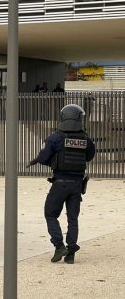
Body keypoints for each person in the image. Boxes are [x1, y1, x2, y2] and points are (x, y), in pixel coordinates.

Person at [27, 104, 95, 264]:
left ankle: (59, 245)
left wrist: (53, 160)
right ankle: (71, 252)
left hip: (60, 184)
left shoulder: (56, 138)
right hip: (77, 185)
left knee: (50, 214)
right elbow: (89, 156)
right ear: (79, 119)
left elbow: (43, 158)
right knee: (73, 219)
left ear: (63, 118)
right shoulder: (86, 139)